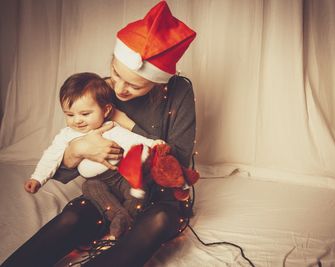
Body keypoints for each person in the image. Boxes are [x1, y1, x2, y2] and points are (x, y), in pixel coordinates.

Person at [1, 1, 196, 267]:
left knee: (155, 222)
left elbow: (179, 159)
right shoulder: (100, 92)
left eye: (135, 86)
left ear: (157, 82)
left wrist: (125, 123)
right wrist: (79, 149)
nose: (120, 89)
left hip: (158, 197)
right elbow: (62, 171)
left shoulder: (178, 92)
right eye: (115, 73)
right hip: (108, 193)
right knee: (70, 218)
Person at [24, 72, 164, 239]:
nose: (77, 121)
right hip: (97, 181)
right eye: (70, 115)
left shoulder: (111, 128)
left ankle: (129, 215)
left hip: (120, 176)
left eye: (85, 114)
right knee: (90, 188)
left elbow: (134, 140)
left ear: (106, 110)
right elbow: (51, 156)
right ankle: (119, 217)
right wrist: (37, 178)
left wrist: (153, 144)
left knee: (138, 191)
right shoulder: (66, 135)